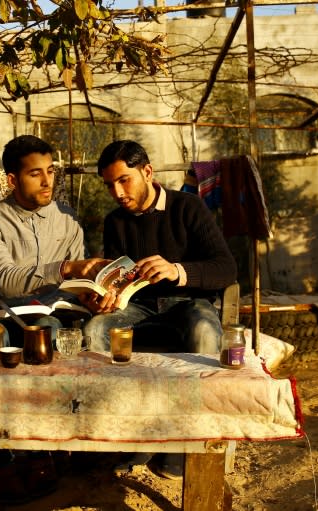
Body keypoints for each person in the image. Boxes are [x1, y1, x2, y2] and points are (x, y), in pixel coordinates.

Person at [81, 139, 238, 479]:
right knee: (93, 330)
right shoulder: (115, 221)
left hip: (189, 302)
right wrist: (106, 295)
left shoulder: (188, 207)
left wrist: (177, 270)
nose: (117, 192)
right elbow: (119, 274)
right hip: (139, 307)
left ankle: (189, 442)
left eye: (124, 180)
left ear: (147, 172)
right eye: (110, 185)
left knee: (203, 332)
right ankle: (131, 435)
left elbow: (226, 268)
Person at [0, 134, 102, 348]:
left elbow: (77, 282)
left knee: (50, 329)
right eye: (35, 174)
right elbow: (4, 282)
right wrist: (65, 268)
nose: (47, 182)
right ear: (12, 180)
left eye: (50, 171)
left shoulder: (67, 218)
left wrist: (91, 292)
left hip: (51, 313)